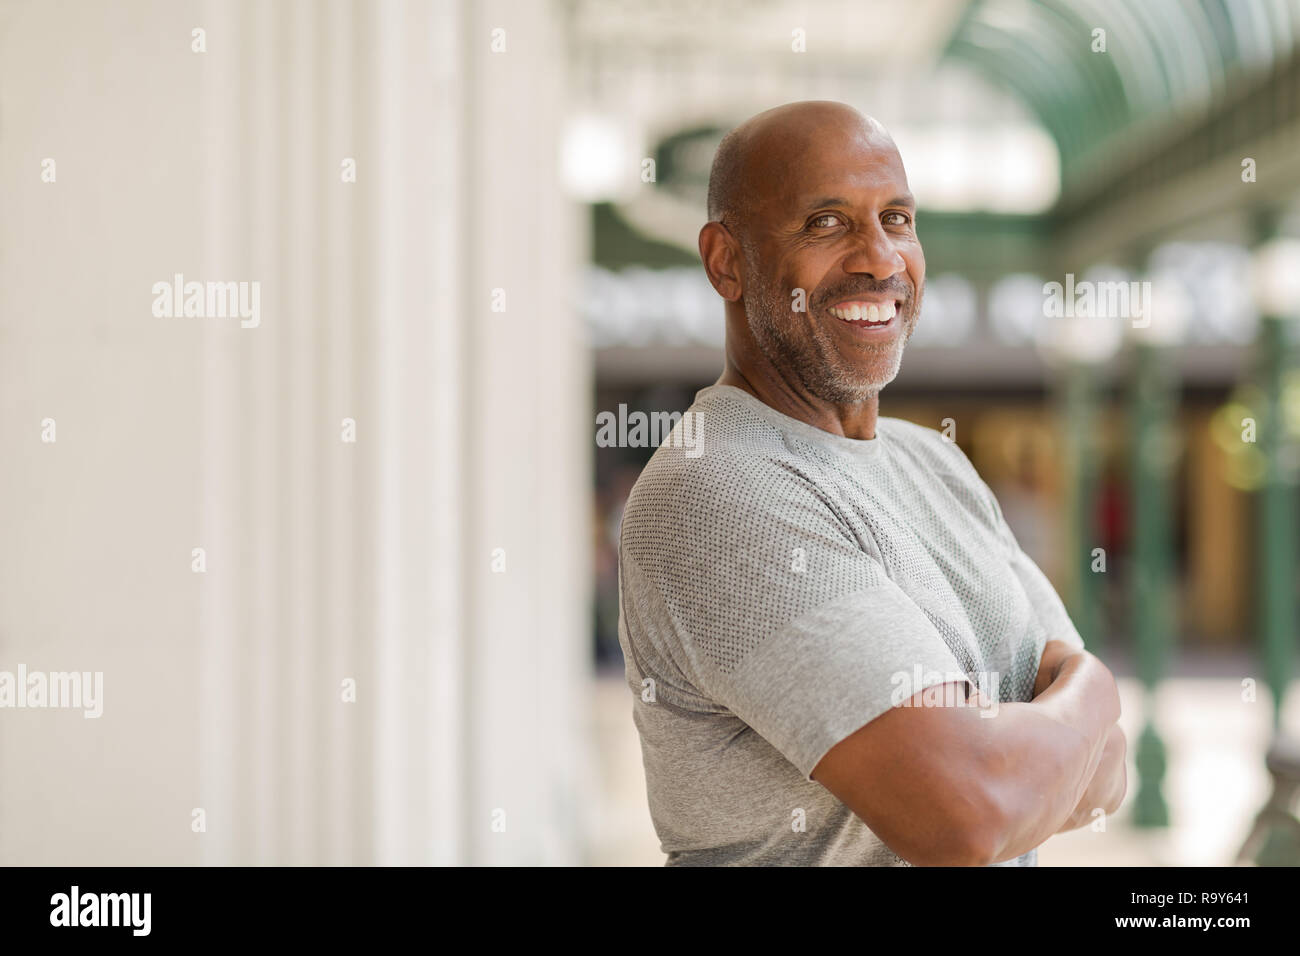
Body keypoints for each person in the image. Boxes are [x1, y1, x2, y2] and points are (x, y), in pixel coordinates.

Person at [616, 101, 1126, 866]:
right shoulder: (720, 489)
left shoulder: (936, 463)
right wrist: (1092, 693)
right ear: (727, 260)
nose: (879, 259)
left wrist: (1049, 747)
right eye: (826, 222)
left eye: (897, 217)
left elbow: (1107, 775)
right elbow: (969, 817)